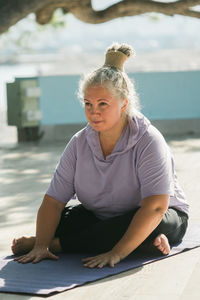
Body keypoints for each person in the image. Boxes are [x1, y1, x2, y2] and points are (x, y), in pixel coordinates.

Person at [12, 43, 189, 269]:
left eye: (103, 104)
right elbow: (53, 201)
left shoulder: (149, 140)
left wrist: (116, 254)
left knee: (136, 225)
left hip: (159, 215)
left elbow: (155, 207)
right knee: (64, 220)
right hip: (101, 215)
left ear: (124, 103)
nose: (93, 111)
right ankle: (142, 246)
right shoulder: (79, 143)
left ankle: (62, 245)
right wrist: (40, 247)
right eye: (88, 103)